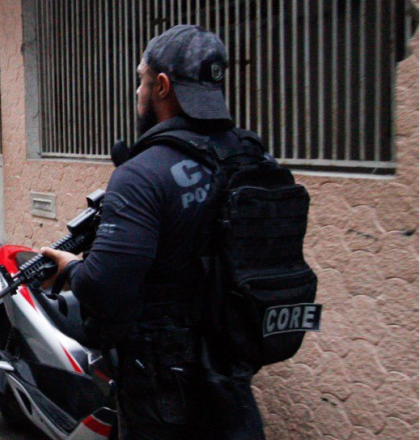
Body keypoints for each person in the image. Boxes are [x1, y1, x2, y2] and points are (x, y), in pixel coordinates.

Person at [39, 25, 264, 439]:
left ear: (161, 86)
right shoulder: (252, 156)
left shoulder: (142, 173)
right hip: (233, 380)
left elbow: (105, 288)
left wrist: (70, 269)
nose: (137, 92)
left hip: (163, 394)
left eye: (140, 79)